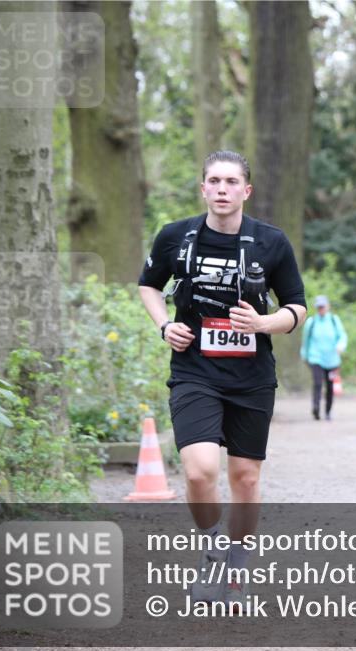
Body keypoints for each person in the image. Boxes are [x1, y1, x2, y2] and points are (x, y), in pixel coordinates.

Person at [138, 150, 306, 608]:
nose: (222, 190)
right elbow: (148, 284)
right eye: (214, 181)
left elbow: (296, 307)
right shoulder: (176, 237)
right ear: (203, 188)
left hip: (252, 375)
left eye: (232, 182)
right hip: (195, 370)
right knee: (199, 470)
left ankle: (237, 562)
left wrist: (265, 324)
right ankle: (212, 547)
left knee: (246, 479)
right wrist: (163, 325)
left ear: (245, 191)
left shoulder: (271, 242)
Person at [300, 294, 348, 420]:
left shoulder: (334, 320)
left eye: (323, 306)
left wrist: (340, 345)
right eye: (319, 307)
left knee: (330, 386)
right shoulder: (311, 322)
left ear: (328, 306)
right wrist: (304, 355)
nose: (321, 309)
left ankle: (328, 411)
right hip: (316, 358)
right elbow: (306, 341)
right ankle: (316, 408)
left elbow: (342, 336)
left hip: (332, 360)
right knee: (317, 383)